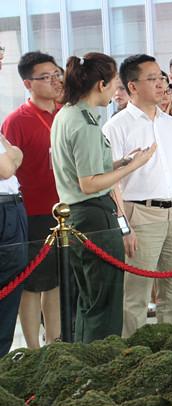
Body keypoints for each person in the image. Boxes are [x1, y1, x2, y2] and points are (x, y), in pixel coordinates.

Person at [51, 52, 155, 343]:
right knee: (104, 303)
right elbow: (88, 183)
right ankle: (100, 359)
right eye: (115, 85)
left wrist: (121, 161)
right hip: (93, 214)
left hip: (80, 214)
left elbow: (87, 168)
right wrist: (133, 167)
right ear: (101, 85)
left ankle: (86, 357)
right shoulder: (83, 123)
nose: (116, 92)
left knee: (90, 300)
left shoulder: (68, 114)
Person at [103, 54, 172, 337]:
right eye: (152, 79)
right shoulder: (116, 126)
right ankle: (134, 353)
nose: (161, 84)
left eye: (161, 78)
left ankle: (168, 347)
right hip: (140, 214)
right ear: (132, 86)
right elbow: (112, 184)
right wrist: (124, 227)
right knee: (136, 294)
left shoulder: (170, 123)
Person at [1, 51, 63, 349]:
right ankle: (32, 348)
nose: (54, 81)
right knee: (31, 283)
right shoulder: (16, 121)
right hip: (32, 213)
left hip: (65, 211)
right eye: (45, 77)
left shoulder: (65, 113)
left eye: (56, 74)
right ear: (28, 84)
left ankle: (54, 342)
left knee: (58, 283)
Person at [0, 131, 26, 357]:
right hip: (4, 210)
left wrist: (12, 154)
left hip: (10, 208)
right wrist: (13, 154)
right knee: (7, 286)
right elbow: (7, 168)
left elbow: (17, 156)